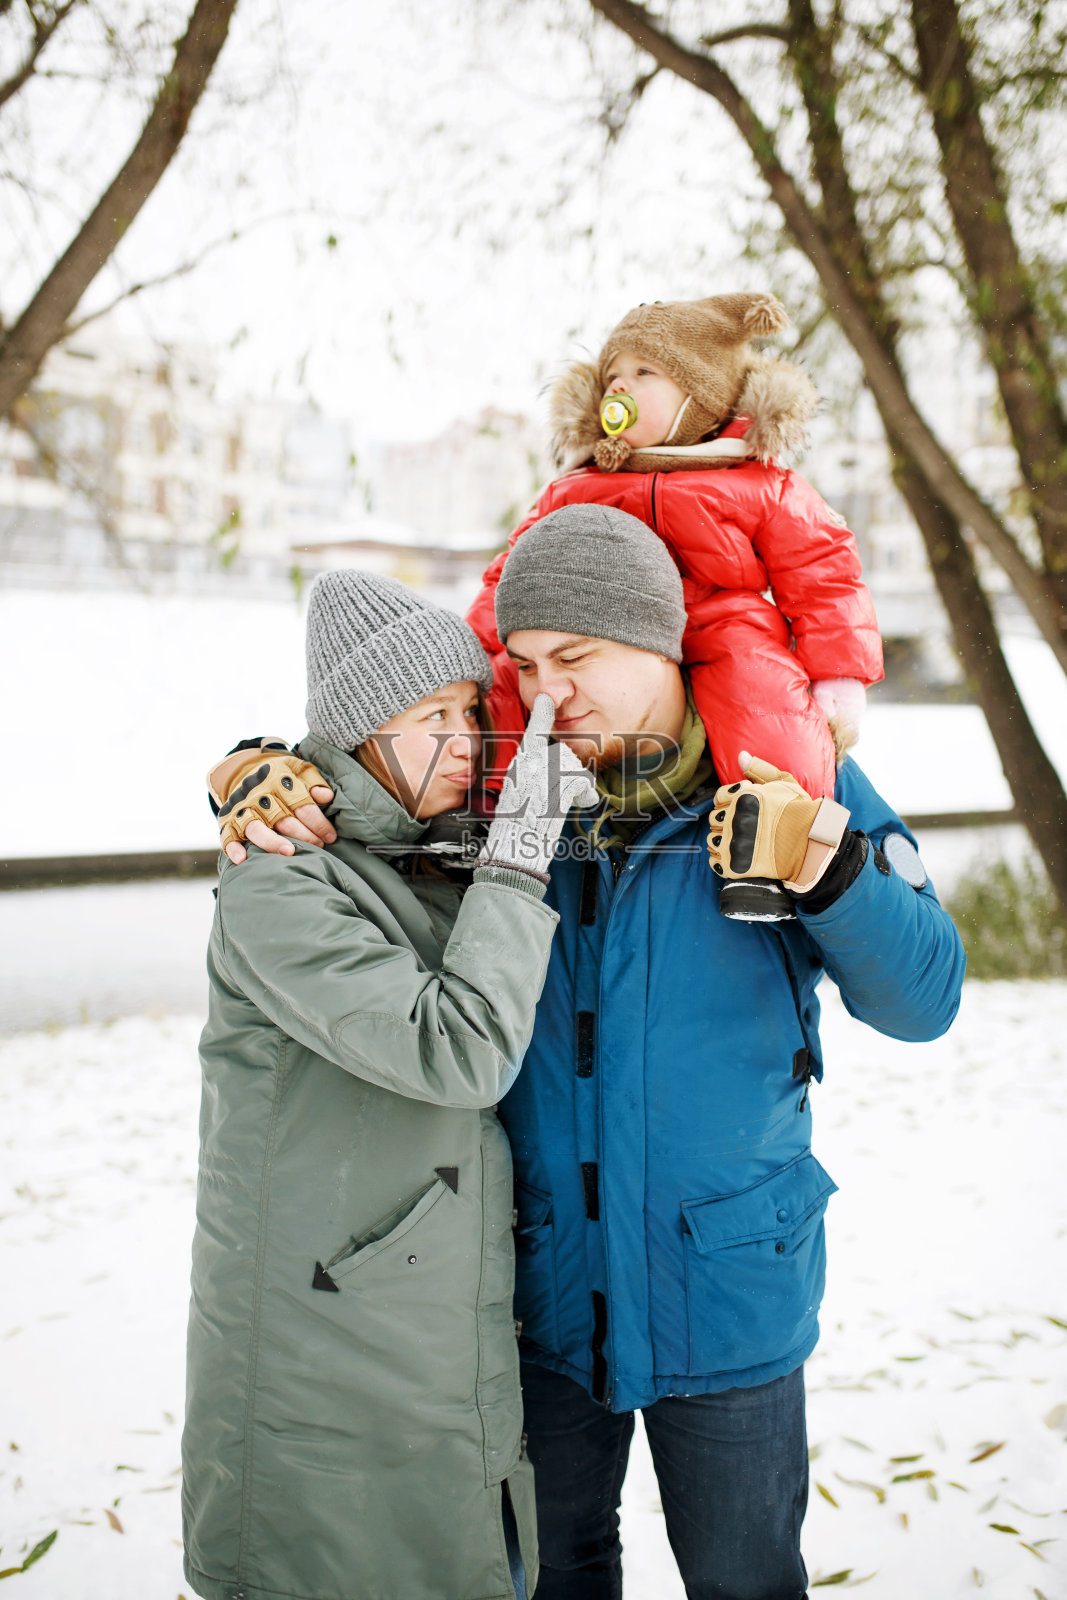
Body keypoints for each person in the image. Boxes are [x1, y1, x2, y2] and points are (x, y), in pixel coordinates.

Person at [227, 507, 965, 1600]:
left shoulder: (786, 774)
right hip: (535, 1299)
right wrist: (256, 768)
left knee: (746, 1580)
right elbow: (371, 777)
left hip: (726, 1289)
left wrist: (832, 873)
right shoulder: (496, 796)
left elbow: (926, 998)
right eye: (521, 666)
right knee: (554, 1575)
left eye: (575, 659)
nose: (545, 696)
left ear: (658, 641)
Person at [182, 568, 597, 1600]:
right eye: (430, 717)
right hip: (324, 1340)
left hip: (413, 1326)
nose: (466, 740)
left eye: (470, 711)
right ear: (362, 732)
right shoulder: (278, 877)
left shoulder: (421, 854)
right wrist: (521, 855)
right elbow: (455, 1050)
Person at [466, 292, 884, 919]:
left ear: (701, 391)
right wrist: (477, 652)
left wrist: (838, 674)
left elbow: (821, 572)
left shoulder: (756, 481)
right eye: (613, 375)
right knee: (505, 690)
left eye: (644, 373)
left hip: (718, 623)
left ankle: (769, 845)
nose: (622, 388)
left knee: (765, 703)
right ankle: (481, 818)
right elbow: (516, 572)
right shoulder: (582, 483)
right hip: (602, 625)